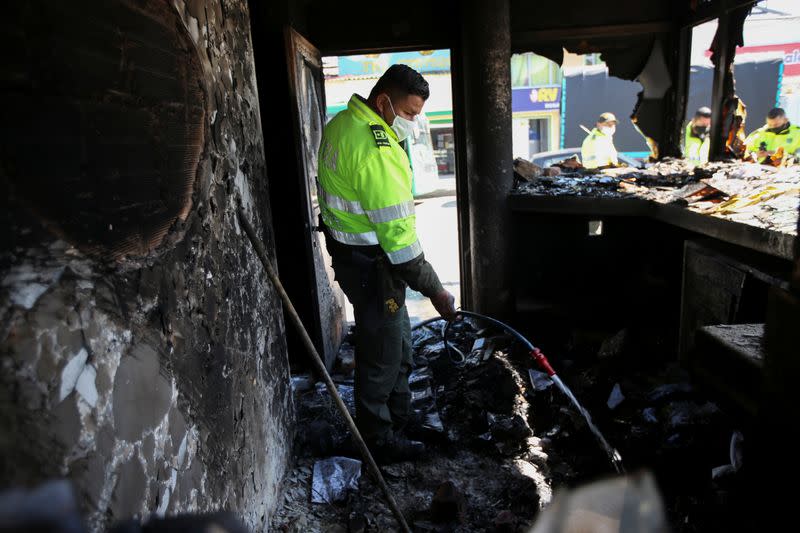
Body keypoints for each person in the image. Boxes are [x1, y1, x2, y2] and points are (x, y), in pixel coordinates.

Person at [316, 64, 457, 463]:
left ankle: (399, 418)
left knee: (397, 343)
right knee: (381, 356)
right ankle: (379, 440)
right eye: (410, 113)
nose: (414, 122)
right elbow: (401, 244)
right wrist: (437, 291)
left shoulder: (342, 122)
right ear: (384, 102)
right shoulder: (376, 151)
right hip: (374, 268)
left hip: (352, 259)